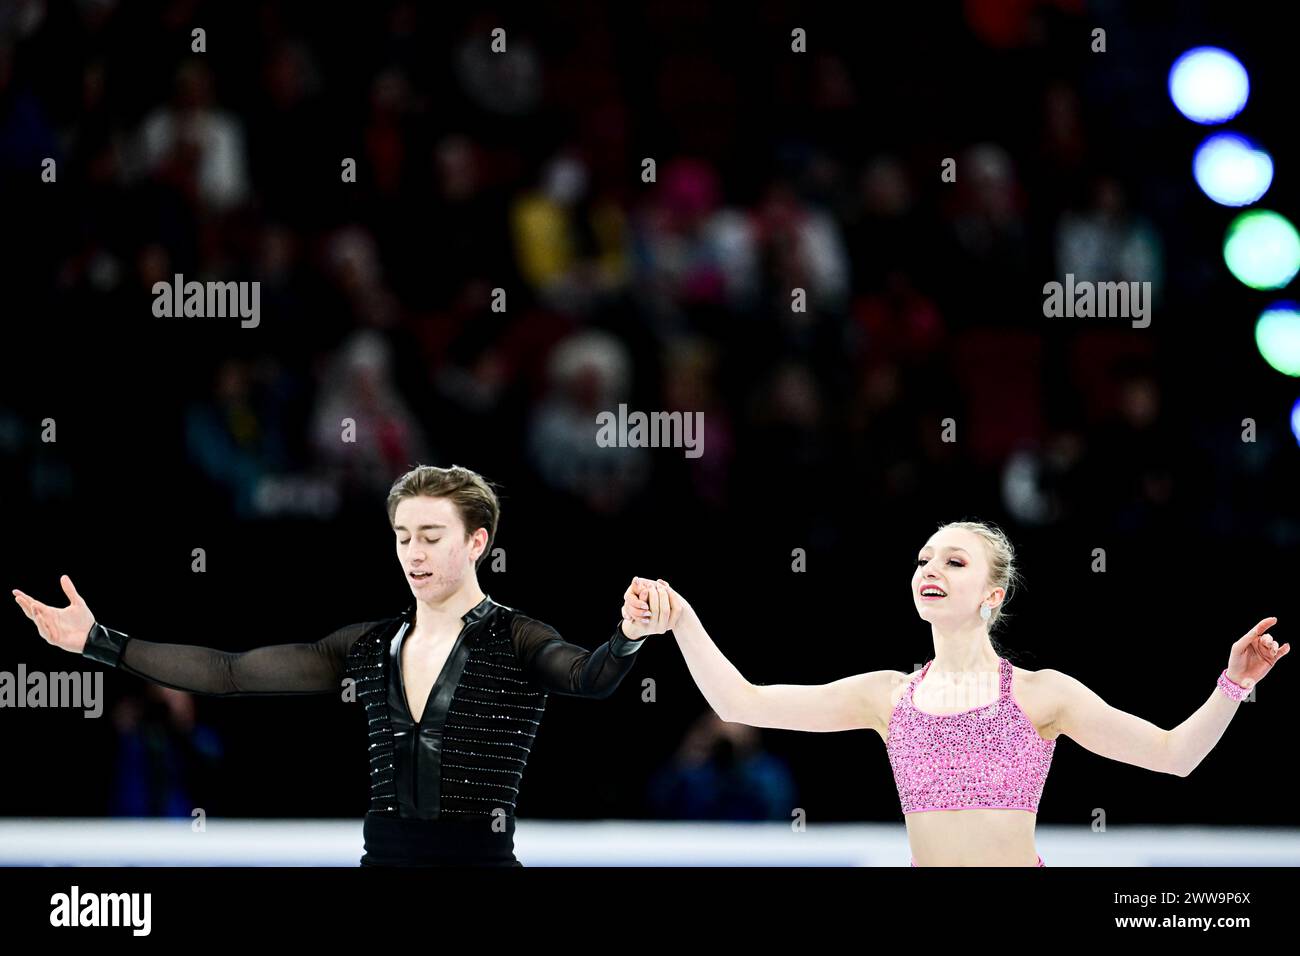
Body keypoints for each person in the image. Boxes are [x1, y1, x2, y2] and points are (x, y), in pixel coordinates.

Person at [14, 464, 657, 866]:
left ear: (477, 541)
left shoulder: (518, 637)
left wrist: (627, 634)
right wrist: (99, 641)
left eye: (432, 537)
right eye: (403, 537)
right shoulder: (367, 644)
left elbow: (589, 677)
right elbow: (231, 673)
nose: (414, 553)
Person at [619, 520, 1288, 866]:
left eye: (953, 561)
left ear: (992, 596)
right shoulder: (887, 697)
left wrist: (1234, 684)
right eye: (922, 560)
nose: (929, 569)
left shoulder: (1041, 696)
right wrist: (682, 620)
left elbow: (1174, 756)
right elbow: (743, 704)